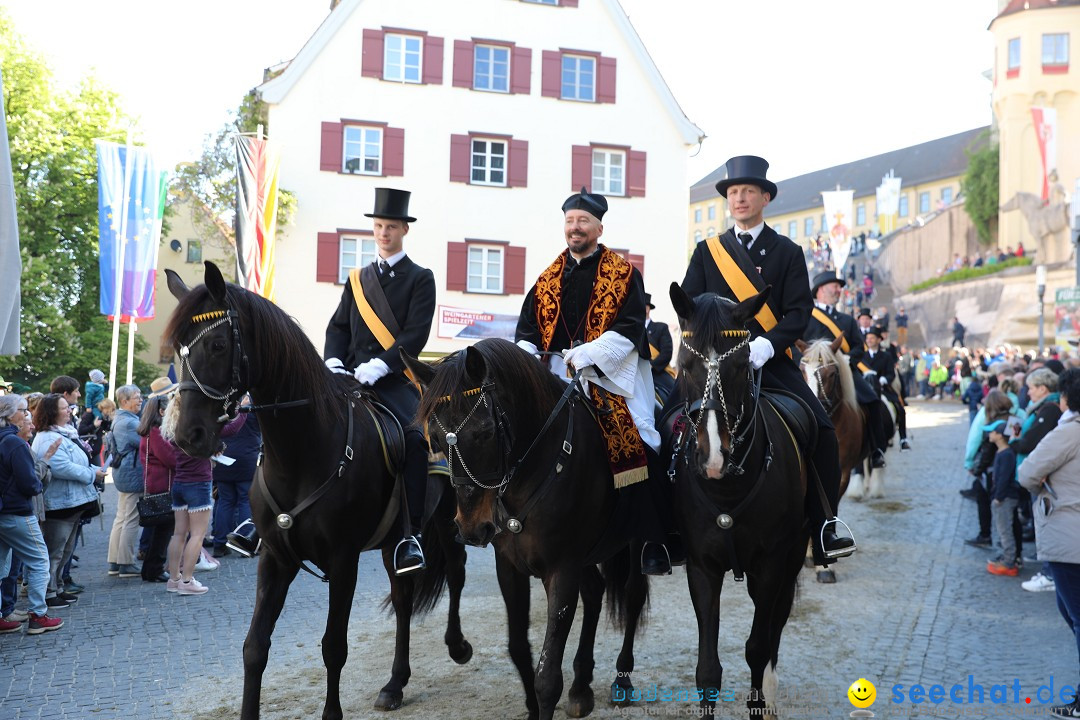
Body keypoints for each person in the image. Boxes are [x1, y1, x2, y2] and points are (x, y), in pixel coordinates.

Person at [680, 155, 855, 562]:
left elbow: (797, 313)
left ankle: (825, 525)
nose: (739, 199)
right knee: (665, 424)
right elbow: (687, 305)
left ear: (765, 198)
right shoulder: (707, 252)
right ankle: (664, 529)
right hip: (713, 364)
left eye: (747, 192)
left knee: (823, 431)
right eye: (733, 193)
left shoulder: (788, 251)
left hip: (767, 361)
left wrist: (767, 345)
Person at [516, 186, 673, 575]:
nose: (575, 227)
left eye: (583, 221)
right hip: (551, 378)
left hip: (609, 380)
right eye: (570, 221)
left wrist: (587, 354)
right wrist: (524, 361)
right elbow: (526, 331)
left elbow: (631, 328)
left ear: (599, 228)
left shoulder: (623, 275)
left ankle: (654, 539)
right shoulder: (548, 277)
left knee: (642, 440)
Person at [323, 187, 434, 575]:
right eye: (378, 226)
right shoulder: (357, 279)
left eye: (390, 226)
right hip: (350, 378)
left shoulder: (421, 278)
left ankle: (411, 535)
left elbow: (414, 336)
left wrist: (383, 365)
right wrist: (334, 361)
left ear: (404, 229)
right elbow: (337, 327)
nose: (383, 233)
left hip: (392, 380)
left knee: (415, 441)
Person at [1018, 371, 1080, 719]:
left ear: (1067, 399)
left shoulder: (1069, 432)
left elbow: (1027, 473)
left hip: (1069, 536)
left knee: (1077, 615)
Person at [804, 271, 891, 467]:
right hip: (812, 373)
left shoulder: (847, 320)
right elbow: (795, 345)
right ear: (820, 289)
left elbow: (859, 347)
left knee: (872, 399)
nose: (839, 290)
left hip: (843, 372)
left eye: (839, 287)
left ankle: (876, 450)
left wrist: (847, 360)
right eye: (835, 286)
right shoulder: (806, 317)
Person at [166, 387, 245, 596]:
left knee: (178, 534)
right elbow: (230, 429)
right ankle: (187, 580)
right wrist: (243, 410)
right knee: (198, 535)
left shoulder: (174, 426)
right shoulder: (197, 426)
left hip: (180, 483)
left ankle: (174, 579)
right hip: (198, 484)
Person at [31, 394, 106, 609]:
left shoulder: (65, 433)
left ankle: (59, 587)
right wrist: (92, 475)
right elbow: (61, 467)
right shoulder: (47, 437)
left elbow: (76, 461)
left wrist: (94, 470)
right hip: (59, 503)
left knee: (65, 550)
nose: (69, 411)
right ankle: (49, 591)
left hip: (72, 501)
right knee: (55, 551)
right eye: (64, 408)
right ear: (51, 412)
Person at [0, 395, 64, 635]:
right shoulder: (14, 443)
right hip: (17, 511)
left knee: (2, 565)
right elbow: (29, 483)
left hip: (4, 511)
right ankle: (38, 614)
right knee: (39, 561)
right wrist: (37, 487)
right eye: (23, 411)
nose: (27, 415)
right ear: (9, 415)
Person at [136, 391, 175, 583]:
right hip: (163, 485)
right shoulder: (156, 431)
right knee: (163, 531)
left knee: (159, 531)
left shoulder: (150, 429)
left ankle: (152, 568)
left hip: (157, 483)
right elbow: (170, 458)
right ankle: (154, 569)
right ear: (161, 411)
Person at [105, 385, 143, 579]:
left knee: (121, 518)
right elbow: (145, 443)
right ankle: (126, 563)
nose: (140, 400)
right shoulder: (129, 423)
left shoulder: (120, 419)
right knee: (130, 519)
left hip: (124, 474)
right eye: (137, 397)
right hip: (132, 475)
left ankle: (115, 562)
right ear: (124, 401)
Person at [211, 409, 260, 557]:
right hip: (246, 460)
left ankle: (219, 544)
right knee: (245, 500)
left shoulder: (222, 409)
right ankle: (244, 543)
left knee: (225, 502)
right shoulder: (251, 410)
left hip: (222, 459)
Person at [864, 326, 911, 451]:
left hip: (883, 388)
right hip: (866, 388)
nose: (869, 340)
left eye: (872, 338)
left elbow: (891, 373)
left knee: (900, 409)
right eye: (867, 338)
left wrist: (884, 379)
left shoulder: (886, 356)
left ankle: (903, 438)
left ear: (878, 340)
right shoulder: (862, 356)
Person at [985, 420, 1021, 575]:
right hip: (1002, 497)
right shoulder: (1003, 452)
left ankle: (1008, 562)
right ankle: (1007, 557)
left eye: (992, 431)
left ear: (999, 435)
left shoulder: (1007, 454)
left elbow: (1004, 479)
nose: (989, 434)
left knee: (1005, 529)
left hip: (1005, 498)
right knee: (1002, 529)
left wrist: (998, 497)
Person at [644, 293, 675, 404]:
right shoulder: (633, 330)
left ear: (648, 308)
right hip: (637, 371)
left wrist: (651, 365)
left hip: (657, 372)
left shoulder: (660, 328)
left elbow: (666, 353)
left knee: (674, 395)